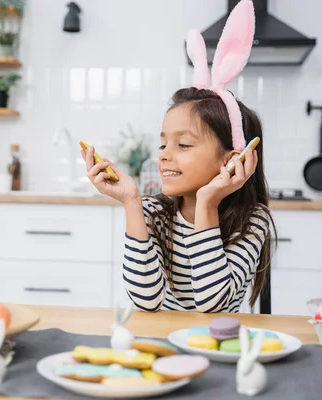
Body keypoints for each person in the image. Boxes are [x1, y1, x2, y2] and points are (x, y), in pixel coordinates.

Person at [81, 2, 275, 312]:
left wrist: (207, 203)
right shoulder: (153, 212)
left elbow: (211, 305)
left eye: (183, 145)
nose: (164, 157)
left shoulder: (251, 220)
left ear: (231, 160)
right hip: (163, 347)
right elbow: (146, 301)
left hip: (219, 346)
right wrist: (132, 201)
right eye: (163, 145)